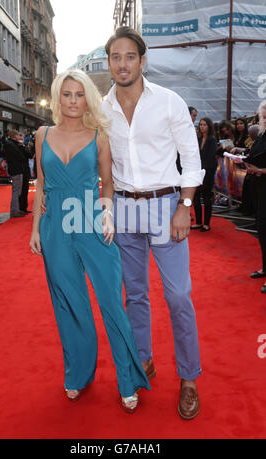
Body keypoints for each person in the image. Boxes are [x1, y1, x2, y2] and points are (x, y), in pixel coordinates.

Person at [30, 69, 150, 413]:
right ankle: (78, 374)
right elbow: (40, 183)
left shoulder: (99, 135)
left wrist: (108, 213)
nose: (72, 101)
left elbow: (108, 184)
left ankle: (128, 380)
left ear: (88, 99)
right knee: (70, 306)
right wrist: (36, 229)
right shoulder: (42, 134)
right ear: (57, 98)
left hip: (93, 222)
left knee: (112, 303)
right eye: (66, 94)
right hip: (55, 228)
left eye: (78, 95)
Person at [102, 26, 204, 420]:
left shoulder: (169, 101)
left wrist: (185, 204)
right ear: (109, 62)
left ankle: (189, 377)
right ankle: (142, 361)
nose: (123, 63)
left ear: (142, 61)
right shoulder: (103, 107)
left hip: (166, 205)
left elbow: (192, 160)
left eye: (130, 56)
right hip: (125, 210)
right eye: (116, 57)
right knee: (135, 296)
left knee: (178, 296)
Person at [231, 101, 266, 293]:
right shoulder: (261, 135)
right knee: (262, 229)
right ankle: (264, 268)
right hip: (260, 187)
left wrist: (260, 169)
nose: (263, 120)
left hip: (262, 180)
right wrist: (242, 156)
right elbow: (254, 153)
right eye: (262, 117)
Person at [191, 118, 218, 232]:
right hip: (198, 172)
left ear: (209, 126)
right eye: (201, 125)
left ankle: (206, 224)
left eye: (204, 125)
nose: (202, 127)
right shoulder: (198, 139)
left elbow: (211, 158)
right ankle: (198, 222)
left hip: (208, 172)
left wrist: (204, 172)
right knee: (196, 198)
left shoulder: (212, 140)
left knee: (207, 198)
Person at [4, 130, 26, 218]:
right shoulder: (12, 145)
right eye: (17, 135)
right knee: (16, 191)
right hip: (16, 169)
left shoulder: (8, 144)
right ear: (14, 136)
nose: (19, 137)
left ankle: (15, 210)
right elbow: (20, 156)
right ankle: (14, 211)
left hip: (13, 169)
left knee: (16, 191)